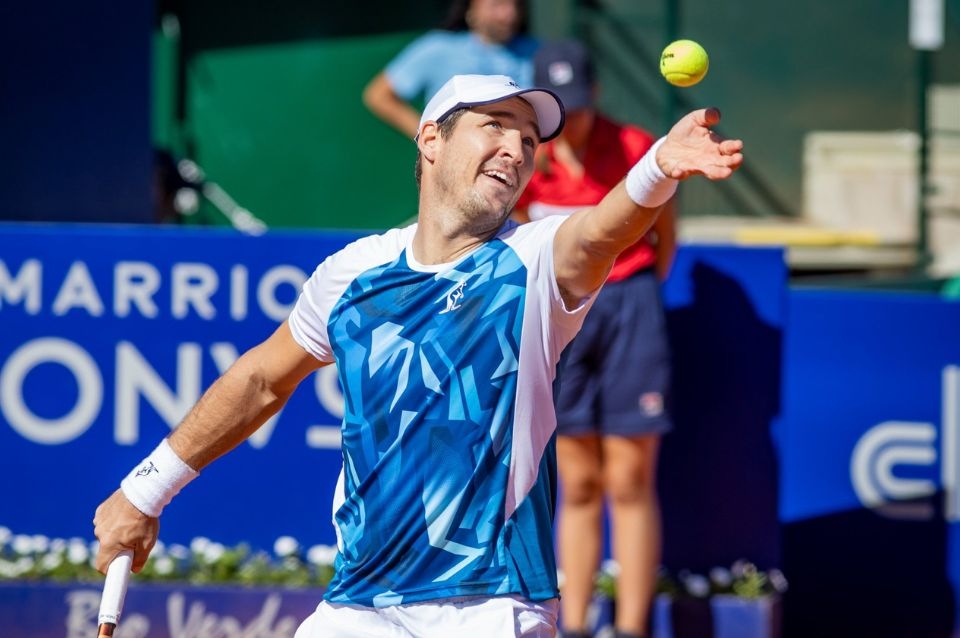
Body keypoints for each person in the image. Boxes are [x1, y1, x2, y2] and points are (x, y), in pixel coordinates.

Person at [93, 73, 743, 638]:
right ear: (431, 139)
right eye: (496, 126)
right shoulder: (353, 274)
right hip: (357, 605)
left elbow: (600, 232)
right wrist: (146, 490)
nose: (517, 148)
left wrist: (656, 169)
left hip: (489, 606)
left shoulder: (534, 261)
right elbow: (261, 379)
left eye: (528, 139)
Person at [513, 41, 674, 638]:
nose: (573, 120)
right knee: (577, 481)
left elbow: (664, 241)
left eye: (580, 105)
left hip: (630, 306)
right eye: (561, 108)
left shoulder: (634, 147)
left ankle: (631, 628)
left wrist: (629, 294)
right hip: (559, 314)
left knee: (629, 478)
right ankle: (574, 626)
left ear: (596, 95)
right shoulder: (523, 158)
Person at [362, 0, 538, 139]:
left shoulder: (538, 52)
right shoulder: (439, 47)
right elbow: (379, 95)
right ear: (470, 7)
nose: (509, 14)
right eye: (497, 4)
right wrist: (433, 137)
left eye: (515, 4)